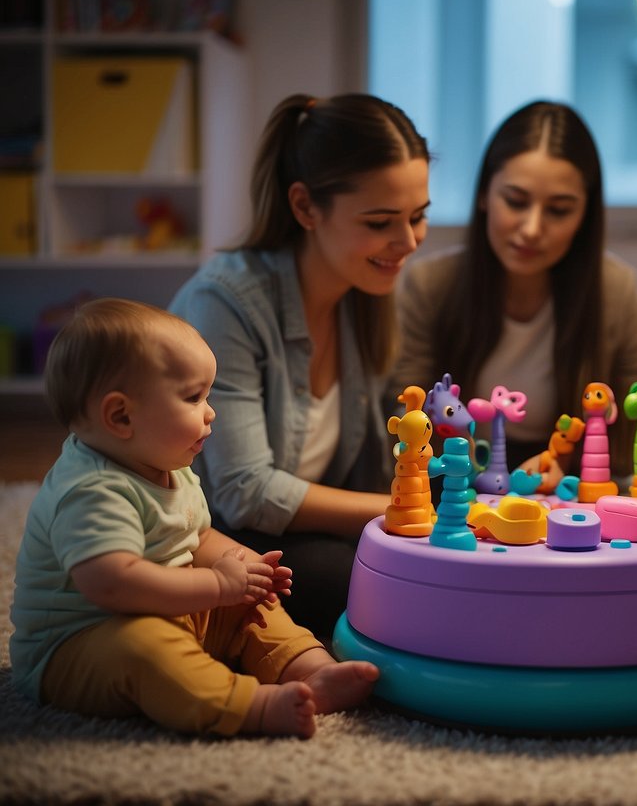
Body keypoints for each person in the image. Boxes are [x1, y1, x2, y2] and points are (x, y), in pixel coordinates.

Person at [9, 298, 380, 738]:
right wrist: (217, 585)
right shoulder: (92, 490)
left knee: (253, 604)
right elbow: (113, 584)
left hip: (168, 609)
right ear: (121, 415)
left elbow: (197, 536)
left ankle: (309, 668)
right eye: (193, 397)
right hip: (82, 644)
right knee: (146, 648)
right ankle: (251, 706)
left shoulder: (169, 466)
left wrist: (244, 564)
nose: (210, 412)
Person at [170, 94, 430, 638]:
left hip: (286, 530)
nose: (407, 242)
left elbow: (381, 455)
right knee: (357, 581)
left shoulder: (366, 294)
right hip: (202, 530)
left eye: (418, 216)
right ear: (306, 207)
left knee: (423, 568)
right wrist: (395, 508)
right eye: (382, 221)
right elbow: (244, 490)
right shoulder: (226, 302)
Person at [391, 100, 637, 477]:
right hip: (452, 489)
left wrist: (566, 467)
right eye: (515, 201)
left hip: (573, 494)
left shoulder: (615, 291)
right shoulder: (430, 286)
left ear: (585, 216)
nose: (532, 228)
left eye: (559, 210)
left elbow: (634, 421)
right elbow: (410, 415)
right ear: (484, 194)